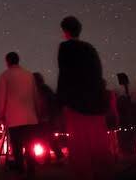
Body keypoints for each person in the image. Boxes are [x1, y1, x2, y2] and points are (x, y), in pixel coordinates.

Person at [57, 16, 112, 180]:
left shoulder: (65, 48)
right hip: (96, 102)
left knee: (80, 144)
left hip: (77, 103)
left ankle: (85, 174)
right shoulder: (90, 48)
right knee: (97, 143)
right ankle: (102, 173)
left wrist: (62, 100)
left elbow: (65, 74)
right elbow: (98, 73)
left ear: (65, 31)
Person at [0, 52, 38, 177]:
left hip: (14, 117)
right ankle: (31, 170)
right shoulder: (29, 75)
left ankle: (20, 169)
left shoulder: (5, 75)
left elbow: (2, 97)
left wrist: (1, 115)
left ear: (7, 61)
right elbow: (35, 95)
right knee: (30, 145)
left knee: (17, 146)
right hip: (30, 116)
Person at [33, 72, 64, 161]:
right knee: (49, 139)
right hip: (49, 117)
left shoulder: (41, 90)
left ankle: (53, 157)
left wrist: (41, 115)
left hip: (45, 118)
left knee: (47, 138)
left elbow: (43, 104)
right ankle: (57, 156)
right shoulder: (46, 89)